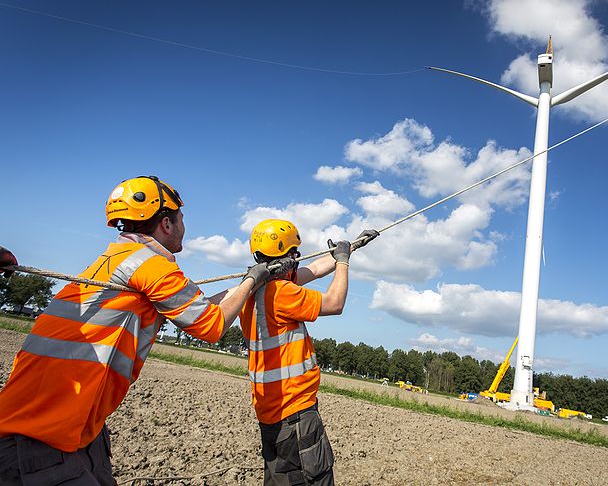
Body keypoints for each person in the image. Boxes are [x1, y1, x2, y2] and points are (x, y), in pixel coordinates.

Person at [0, 176, 292, 485]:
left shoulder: (117, 261)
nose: (183, 226)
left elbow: (200, 306)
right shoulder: (152, 266)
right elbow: (212, 324)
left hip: (63, 431)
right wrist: (253, 280)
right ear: (166, 224)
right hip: (39, 442)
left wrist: (253, 282)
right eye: (181, 218)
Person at [240, 219, 378, 485]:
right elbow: (335, 303)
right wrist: (343, 263)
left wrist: (351, 248)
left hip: (272, 414)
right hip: (296, 415)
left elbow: (313, 269)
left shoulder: (251, 290)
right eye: (295, 254)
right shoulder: (282, 293)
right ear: (288, 257)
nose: (298, 260)